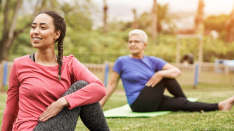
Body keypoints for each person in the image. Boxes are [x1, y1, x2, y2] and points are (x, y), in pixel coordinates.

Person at [0, 11, 143, 131]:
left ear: (57, 34)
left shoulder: (69, 63)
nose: (35, 31)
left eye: (42, 27)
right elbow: (11, 106)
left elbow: (99, 88)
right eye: (33, 27)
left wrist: (63, 102)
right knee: (82, 86)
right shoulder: (19, 64)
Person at [99, 29, 234, 112]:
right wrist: (100, 106)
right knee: (166, 78)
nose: (132, 44)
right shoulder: (121, 61)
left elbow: (176, 71)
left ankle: (220, 105)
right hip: (138, 103)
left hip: (153, 100)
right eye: (130, 41)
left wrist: (160, 73)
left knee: (180, 103)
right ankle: (187, 101)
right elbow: (112, 84)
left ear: (144, 44)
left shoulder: (152, 60)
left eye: (136, 41)